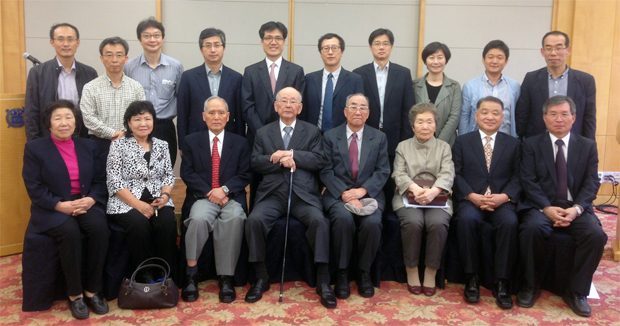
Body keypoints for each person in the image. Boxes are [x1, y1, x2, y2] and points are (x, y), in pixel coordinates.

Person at [244, 87, 336, 308]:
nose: (288, 105)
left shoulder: (312, 131)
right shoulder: (264, 132)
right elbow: (255, 162)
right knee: (254, 221)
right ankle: (260, 276)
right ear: (276, 106)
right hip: (272, 194)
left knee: (320, 222)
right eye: (283, 101)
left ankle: (323, 280)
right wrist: (275, 159)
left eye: (292, 101)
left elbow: (318, 159)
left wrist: (292, 155)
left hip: (303, 195)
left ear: (300, 107)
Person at [517, 95, 607, 317]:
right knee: (531, 229)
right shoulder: (531, 144)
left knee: (596, 235)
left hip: (574, 207)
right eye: (553, 114)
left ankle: (577, 292)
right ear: (544, 118)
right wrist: (546, 208)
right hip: (541, 206)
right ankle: (530, 286)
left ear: (574, 117)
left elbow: (591, 182)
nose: (559, 119)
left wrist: (577, 209)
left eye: (564, 114)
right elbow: (528, 180)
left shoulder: (587, 146)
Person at [22, 100, 109, 319]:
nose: (64, 123)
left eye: (68, 117)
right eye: (58, 118)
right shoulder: (35, 148)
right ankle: (75, 295)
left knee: (100, 229)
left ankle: (93, 290)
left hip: (84, 202)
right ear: (49, 124)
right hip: (53, 206)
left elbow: (100, 180)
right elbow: (34, 186)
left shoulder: (88, 146)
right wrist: (59, 205)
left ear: (76, 122)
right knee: (70, 232)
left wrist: (91, 200)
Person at [180, 96, 251, 303]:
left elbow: (245, 174)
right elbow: (188, 173)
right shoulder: (191, 141)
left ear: (228, 117)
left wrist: (224, 190)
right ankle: (191, 274)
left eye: (221, 113)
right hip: (203, 197)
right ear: (204, 116)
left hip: (231, 197)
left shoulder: (240, 143)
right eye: (211, 113)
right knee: (198, 219)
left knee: (234, 218)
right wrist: (211, 192)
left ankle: (226, 278)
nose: (216, 117)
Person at [452, 96, 521, 309]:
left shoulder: (513, 143)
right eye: (484, 112)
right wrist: (471, 195)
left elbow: (519, 176)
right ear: (476, 115)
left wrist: (505, 196)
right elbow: (456, 173)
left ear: (503, 117)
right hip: (471, 199)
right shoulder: (463, 141)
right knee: (465, 220)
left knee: (509, 223)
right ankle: (471, 278)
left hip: (501, 200)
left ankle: (501, 282)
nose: (489, 117)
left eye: (495, 113)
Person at [320, 93, 390, 299]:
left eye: (362, 107)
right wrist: (345, 193)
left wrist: (362, 191)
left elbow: (383, 171)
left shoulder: (379, 137)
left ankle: (363, 272)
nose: (358, 111)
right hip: (338, 193)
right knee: (342, 220)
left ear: (368, 113)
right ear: (345, 111)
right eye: (353, 106)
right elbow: (325, 171)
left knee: (372, 223)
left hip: (369, 193)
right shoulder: (331, 136)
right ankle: (342, 273)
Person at [106, 101, 177, 279]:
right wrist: (138, 205)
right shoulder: (118, 145)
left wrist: (165, 195)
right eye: (137, 119)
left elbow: (168, 176)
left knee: (167, 223)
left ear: (153, 121)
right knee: (139, 225)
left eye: (147, 118)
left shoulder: (162, 145)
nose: (143, 123)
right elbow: (114, 180)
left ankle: (165, 272)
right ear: (129, 123)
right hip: (126, 202)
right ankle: (144, 274)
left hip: (157, 199)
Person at [392, 102, 454, 296]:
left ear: (436, 125)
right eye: (420, 122)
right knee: (413, 222)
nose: (425, 126)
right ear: (413, 126)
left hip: (438, 195)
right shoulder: (403, 146)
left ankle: (430, 272)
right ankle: (411, 270)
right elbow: (399, 173)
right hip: (408, 194)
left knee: (437, 223)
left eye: (429, 122)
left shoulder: (444, 147)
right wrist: (416, 189)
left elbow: (447, 173)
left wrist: (433, 192)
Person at [125, 17, 183, 166]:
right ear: (140, 39)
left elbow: (180, 97)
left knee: (165, 168)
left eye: (156, 35)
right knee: (137, 169)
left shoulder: (175, 66)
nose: (152, 39)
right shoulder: (129, 67)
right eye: (147, 36)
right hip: (137, 127)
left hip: (164, 126)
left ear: (162, 38)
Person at [516, 31, 596, 140]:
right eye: (548, 48)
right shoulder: (531, 79)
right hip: (537, 145)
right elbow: (522, 115)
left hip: (573, 145)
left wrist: (589, 147)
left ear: (568, 50)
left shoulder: (585, 81)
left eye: (559, 48)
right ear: (542, 52)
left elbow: (589, 118)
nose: (553, 53)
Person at [24, 23, 98, 141]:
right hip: (48, 139)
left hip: (81, 138)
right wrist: (34, 142)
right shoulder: (38, 73)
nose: (66, 44)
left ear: (77, 42)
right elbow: (31, 112)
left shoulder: (90, 73)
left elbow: (95, 111)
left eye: (70, 39)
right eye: (60, 39)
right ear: (52, 42)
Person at [177, 28, 244, 152]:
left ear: (224, 48)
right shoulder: (188, 77)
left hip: (228, 141)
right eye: (208, 45)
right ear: (201, 49)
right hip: (196, 140)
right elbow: (182, 114)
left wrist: (240, 143)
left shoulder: (236, 78)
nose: (213, 50)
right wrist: (182, 145)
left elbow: (240, 117)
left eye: (217, 45)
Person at [353, 28, 414, 160]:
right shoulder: (359, 73)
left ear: (391, 47)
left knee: (392, 176)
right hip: (366, 134)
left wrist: (406, 139)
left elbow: (408, 109)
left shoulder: (403, 73)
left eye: (385, 43)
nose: (381, 47)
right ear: (370, 47)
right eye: (377, 43)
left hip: (396, 137)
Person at [80, 37, 145, 157]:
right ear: (101, 58)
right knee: (100, 176)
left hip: (130, 143)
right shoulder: (90, 87)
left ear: (126, 58)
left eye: (119, 55)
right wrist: (113, 133)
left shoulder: (136, 87)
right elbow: (88, 118)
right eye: (109, 55)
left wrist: (126, 134)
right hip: (99, 145)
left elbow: (141, 116)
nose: (114, 60)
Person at [242, 21, 305, 140]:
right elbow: (247, 106)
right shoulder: (251, 71)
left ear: (284, 42)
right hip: (257, 136)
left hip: (288, 136)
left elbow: (299, 105)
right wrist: (262, 133)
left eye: (278, 38)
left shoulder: (296, 71)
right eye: (268, 38)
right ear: (261, 42)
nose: (273, 42)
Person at [301, 33, 364, 132]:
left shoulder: (354, 80)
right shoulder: (309, 79)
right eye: (326, 48)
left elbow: (359, 110)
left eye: (334, 48)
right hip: (313, 136)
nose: (330, 52)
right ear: (320, 53)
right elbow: (304, 111)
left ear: (342, 51)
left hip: (343, 137)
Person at [459, 40, 520, 137]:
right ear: (483, 60)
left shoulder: (514, 86)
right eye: (490, 57)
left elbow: (518, 115)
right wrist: (462, 140)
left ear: (506, 61)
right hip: (476, 140)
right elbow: (464, 116)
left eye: (499, 57)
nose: (494, 61)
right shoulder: (470, 86)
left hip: (506, 141)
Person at [413, 42, 461, 145]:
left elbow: (454, 117)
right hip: (419, 142)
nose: (436, 62)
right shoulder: (414, 85)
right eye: (431, 57)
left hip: (447, 144)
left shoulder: (454, 86)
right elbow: (411, 115)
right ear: (425, 61)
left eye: (440, 57)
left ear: (446, 60)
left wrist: (439, 143)